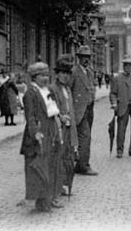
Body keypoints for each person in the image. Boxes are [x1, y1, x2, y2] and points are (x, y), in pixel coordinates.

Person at [20, 62, 63, 213]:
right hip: (39, 133)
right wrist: (35, 133)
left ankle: (49, 198)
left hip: (50, 129)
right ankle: (40, 201)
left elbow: (53, 109)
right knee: (38, 168)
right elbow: (30, 116)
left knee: (50, 165)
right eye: (42, 76)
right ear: (34, 77)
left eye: (46, 75)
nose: (45, 78)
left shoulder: (46, 90)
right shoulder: (30, 93)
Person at [50, 54, 78, 196]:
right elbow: (50, 108)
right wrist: (60, 116)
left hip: (68, 127)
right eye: (63, 73)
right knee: (59, 157)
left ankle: (65, 184)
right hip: (58, 128)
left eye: (67, 73)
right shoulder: (52, 89)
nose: (65, 76)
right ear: (57, 74)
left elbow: (71, 108)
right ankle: (57, 186)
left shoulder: (67, 89)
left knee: (69, 156)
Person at [70, 45, 98, 175]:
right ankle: (84, 166)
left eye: (88, 58)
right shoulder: (74, 72)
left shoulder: (90, 72)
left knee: (85, 138)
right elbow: (69, 91)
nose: (86, 60)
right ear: (79, 58)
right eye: (84, 57)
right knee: (85, 137)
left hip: (89, 109)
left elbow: (92, 88)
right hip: (78, 110)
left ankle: (80, 163)